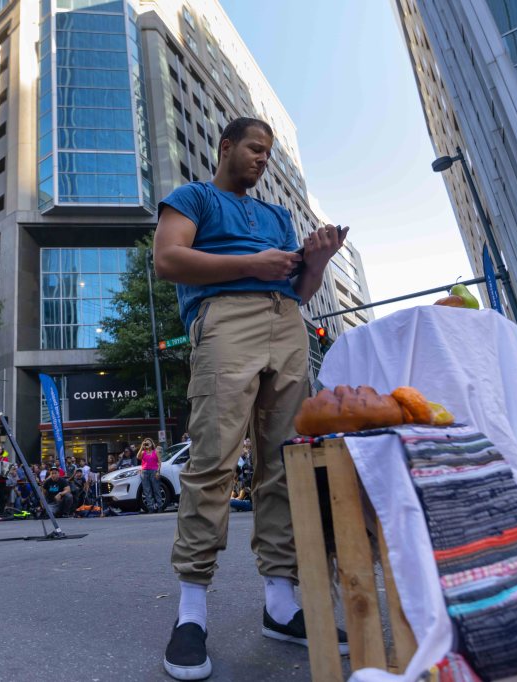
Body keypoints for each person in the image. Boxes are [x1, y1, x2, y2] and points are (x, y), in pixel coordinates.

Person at [154, 116, 350, 679]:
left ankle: (281, 604)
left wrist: (317, 260)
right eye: (255, 149)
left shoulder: (278, 216)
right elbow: (167, 260)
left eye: (268, 152)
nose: (262, 159)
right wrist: (251, 263)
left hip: (286, 321)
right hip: (225, 318)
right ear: (226, 146)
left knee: (286, 463)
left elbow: (300, 289)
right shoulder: (193, 197)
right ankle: (191, 613)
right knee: (213, 458)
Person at [138, 438, 163, 513]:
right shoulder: (143, 452)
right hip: (144, 472)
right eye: (146, 443)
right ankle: (151, 507)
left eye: (149, 443)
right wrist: (141, 447)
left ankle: (160, 506)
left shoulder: (156, 451)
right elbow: (138, 457)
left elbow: (159, 462)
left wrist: (158, 471)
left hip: (154, 471)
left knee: (156, 489)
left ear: (152, 444)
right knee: (147, 490)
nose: (147, 444)